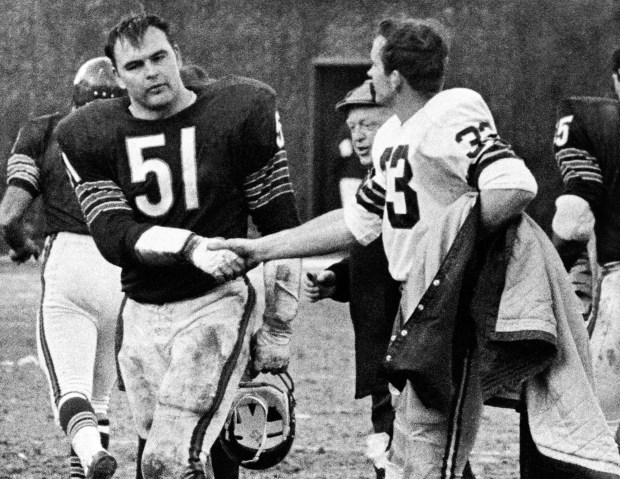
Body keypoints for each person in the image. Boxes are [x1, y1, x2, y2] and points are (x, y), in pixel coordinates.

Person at [211, 17, 620, 479]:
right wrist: (261, 249)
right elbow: (357, 223)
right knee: (415, 438)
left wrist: (450, 254)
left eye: (373, 65)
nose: (368, 75)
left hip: (455, 301)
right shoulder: (394, 134)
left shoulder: (450, 111)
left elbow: (513, 185)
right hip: (422, 302)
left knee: (431, 442)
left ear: (395, 77)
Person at [55, 13, 301, 479]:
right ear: (119, 75)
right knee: (169, 447)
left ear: (177, 56)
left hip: (216, 303)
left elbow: (280, 230)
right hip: (143, 309)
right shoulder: (89, 135)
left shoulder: (239, 110)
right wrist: (190, 246)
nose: (151, 72)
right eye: (135, 65)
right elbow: (114, 235)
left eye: (159, 57)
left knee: (169, 456)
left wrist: (279, 327)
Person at [0, 57, 125, 479]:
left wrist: (20, 246)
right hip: (126, 267)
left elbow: (9, 215)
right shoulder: (141, 133)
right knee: (99, 400)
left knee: (69, 391)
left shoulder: (44, 130)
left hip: (71, 261)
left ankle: (91, 458)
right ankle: (87, 465)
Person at [305, 80, 398, 479]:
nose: (358, 135)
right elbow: (376, 254)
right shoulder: (376, 179)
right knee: (393, 449)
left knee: (409, 456)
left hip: (407, 344)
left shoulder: (403, 179)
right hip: (382, 346)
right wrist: (338, 279)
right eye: (353, 126)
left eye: (369, 124)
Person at [551, 46, 620, 448]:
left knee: (600, 431)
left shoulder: (590, 122)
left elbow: (577, 216)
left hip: (617, 285)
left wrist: (550, 265)